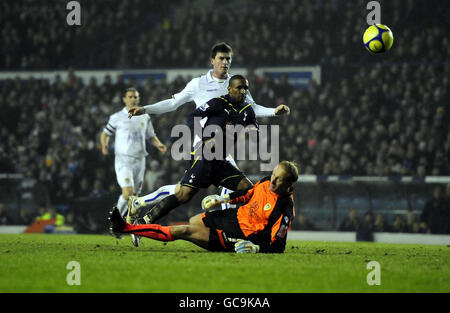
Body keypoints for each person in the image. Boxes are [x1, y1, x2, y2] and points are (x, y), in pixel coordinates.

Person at [126, 42, 290, 216]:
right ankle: (229, 227)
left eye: (228, 59)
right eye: (221, 58)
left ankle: (139, 202)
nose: (225, 62)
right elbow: (173, 103)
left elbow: (252, 108)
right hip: (204, 144)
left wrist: (274, 111)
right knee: (187, 190)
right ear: (212, 60)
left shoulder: (237, 84)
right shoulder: (198, 84)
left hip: (224, 144)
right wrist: (145, 109)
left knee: (191, 188)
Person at [127, 75, 258, 230]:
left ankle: (239, 225)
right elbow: (192, 116)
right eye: (239, 88)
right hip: (204, 156)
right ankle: (143, 223)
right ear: (230, 89)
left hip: (221, 161)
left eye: (245, 88)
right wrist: (205, 137)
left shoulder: (247, 110)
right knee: (183, 195)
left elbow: (253, 126)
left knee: (248, 189)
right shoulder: (218, 103)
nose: (243, 91)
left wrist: (251, 130)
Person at [109, 161, 298, 254]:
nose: (272, 179)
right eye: (273, 174)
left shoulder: (284, 208)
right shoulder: (266, 181)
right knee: (194, 221)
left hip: (244, 236)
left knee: (185, 230)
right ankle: (211, 241)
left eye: (278, 178)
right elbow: (247, 195)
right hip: (234, 218)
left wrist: (255, 248)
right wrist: (221, 199)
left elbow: (279, 246)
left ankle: (128, 228)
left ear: (288, 184)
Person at [100, 87, 167, 219]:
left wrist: (159, 145)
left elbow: (150, 135)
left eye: (135, 97)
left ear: (139, 99)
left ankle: (122, 223)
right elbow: (105, 133)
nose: (133, 99)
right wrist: (104, 145)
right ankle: (116, 218)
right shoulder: (117, 117)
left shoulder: (145, 116)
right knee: (128, 193)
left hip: (140, 160)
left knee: (134, 197)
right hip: (123, 160)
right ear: (124, 99)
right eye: (130, 97)